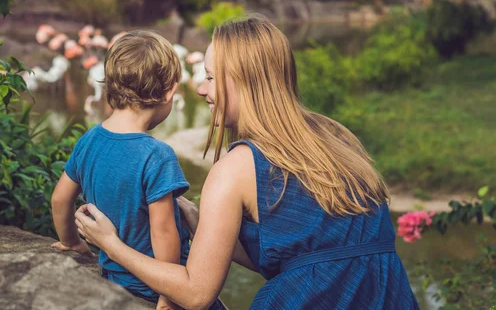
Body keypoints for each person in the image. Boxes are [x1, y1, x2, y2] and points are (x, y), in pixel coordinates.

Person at [74, 15, 420, 310]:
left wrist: (111, 245)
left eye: (210, 77)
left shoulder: (237, 167)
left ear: (244, 80)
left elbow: (196, 294)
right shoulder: (337, 136)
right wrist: (199, 221)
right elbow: (309, 257)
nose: (199, 88)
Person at [51, 31, 194, 309]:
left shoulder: (90, 139)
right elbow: (163, 231)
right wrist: (169, 295)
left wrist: (71, 241)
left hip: (113, 279)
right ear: (169, 91)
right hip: (151, 288)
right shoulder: (157, 155)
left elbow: (60, 199)